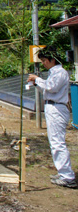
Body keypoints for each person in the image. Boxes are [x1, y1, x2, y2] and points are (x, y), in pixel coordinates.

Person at [28, 46, 76, 189]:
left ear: (52, 59)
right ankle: (63, 172)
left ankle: (67, 176)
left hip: (57, 108)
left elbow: (52, 87)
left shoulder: (60, 73)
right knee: (54, 142)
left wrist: (38, 79)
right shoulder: (53, 73)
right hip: (51, 106)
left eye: (44, 60)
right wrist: (36, 83)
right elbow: (47, 89)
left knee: (57, 143)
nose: (43, 63)